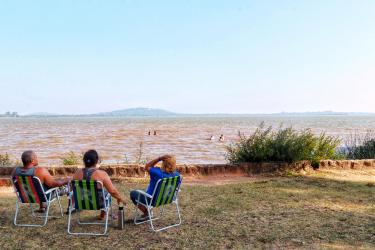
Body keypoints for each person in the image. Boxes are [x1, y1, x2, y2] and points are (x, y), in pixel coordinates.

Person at [72, 150, 126, 219]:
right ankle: (102, 215)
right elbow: (112, 191)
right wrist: (120, 198)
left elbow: (72, 189)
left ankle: (102, 215)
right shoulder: (102, 174)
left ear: (84, 161)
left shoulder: (77, 173)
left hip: (80, 202)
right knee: (107, 194)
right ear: (96, 161)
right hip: (98, 203)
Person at [130, 155, 180, 220]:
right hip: (168, 199)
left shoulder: (157, 173)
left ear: (163, 163)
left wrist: (159, 159)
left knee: (133, 193)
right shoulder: (177, 175)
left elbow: (147, 167)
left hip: (153, 200)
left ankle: (147, 213)